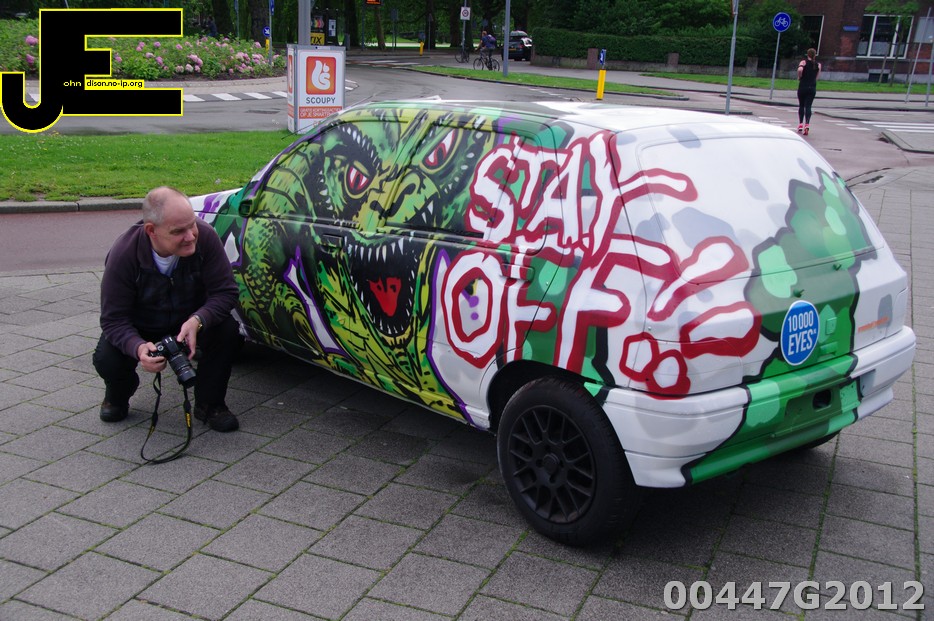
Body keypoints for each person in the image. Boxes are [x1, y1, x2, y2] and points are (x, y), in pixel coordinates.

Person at [93, 186, 241, 432]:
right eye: (178, 231)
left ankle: (210, 404)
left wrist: (198, 319)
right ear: (151, 230)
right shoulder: (124, 253)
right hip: (141, 325)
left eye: (192, 225)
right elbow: (113, 320)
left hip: (188, 321)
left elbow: (226, 292)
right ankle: (118, 395)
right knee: (106, 358)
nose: (191, 236)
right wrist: (138, 347)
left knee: (227, 330)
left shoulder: (206, 236)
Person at [797, 48, 821, 135]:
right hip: (812, 88)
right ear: (815, 55)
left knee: (801, 105)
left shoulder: (803, 62)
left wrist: (800, 76)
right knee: (808, 106)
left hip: (803, 86)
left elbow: (800, 70)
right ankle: (807, 124)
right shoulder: (818, 65)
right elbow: (817, 77)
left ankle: (800, 124)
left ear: (807, 54)